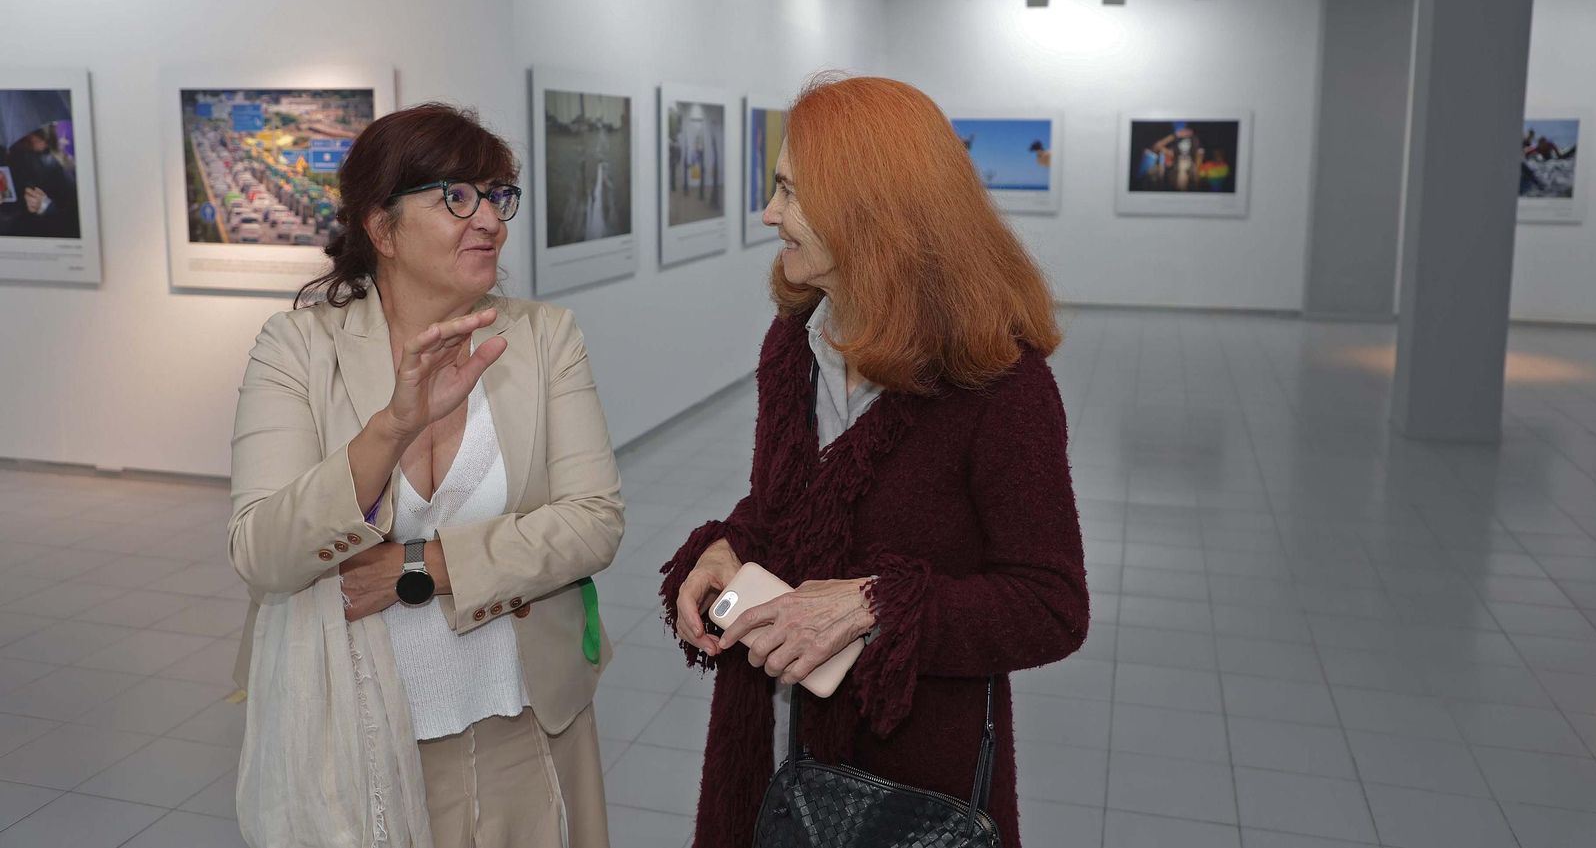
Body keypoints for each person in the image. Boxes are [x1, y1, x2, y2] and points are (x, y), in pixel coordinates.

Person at [661, 76, 1090, 848]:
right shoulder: (792, 343)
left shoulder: (1002, 385)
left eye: (791, 191)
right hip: (770, 753)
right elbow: (781, 506)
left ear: (869, 209)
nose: (768, 214)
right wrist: (728, 545)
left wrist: (873, 605)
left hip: (909, 786)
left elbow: (1051, 604)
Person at [229, 103, 623, 848]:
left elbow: (593, 521)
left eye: (497, 195)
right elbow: (262, 553)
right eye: (456, 197)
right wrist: (392, 426)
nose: (490, 220)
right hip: (360, 740)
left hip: (527, 720)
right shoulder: (297, 349)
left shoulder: (544, 338)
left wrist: (421, 567)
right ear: (382, 228)